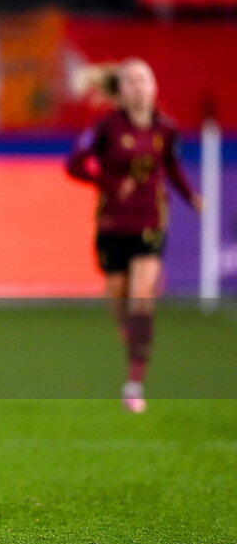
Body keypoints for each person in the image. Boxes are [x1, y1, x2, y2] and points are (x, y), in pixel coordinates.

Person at [66, 58, 202, 413]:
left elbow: (171, 165)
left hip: (150, 222)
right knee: (118, 296)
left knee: (141, 299)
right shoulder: (106, 128)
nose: (139, 87)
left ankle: (134, 383)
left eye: (144, 80)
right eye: (131, 81)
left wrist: (191, 197)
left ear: (154, 88)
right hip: (112, 224)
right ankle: (132, 334)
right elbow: (74, 164)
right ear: (121, 91)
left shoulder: (166, 129)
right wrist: (107, 183)